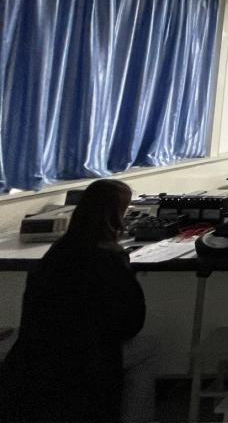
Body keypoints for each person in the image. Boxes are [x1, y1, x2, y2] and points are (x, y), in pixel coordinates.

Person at [0, 179, 155, 423]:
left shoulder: (58, 252)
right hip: (87, 360)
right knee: (148, 348)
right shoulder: (109, 258)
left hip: (35, 356)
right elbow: (131, 323)